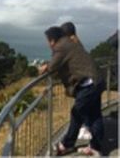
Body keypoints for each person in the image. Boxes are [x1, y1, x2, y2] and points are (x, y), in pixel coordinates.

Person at [39, 26, 104, 156]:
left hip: (88, 84)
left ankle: (65, 145)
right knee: (94, 115)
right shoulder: (69, 42)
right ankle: (95, 147)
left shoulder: (61, 47)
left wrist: (44, 67)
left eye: (47, 40)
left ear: (52, 40)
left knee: (76, 113)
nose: (48, 44)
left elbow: (52, 66)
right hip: (96, 80)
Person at [61, 22, 92, 141]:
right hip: (88, 81)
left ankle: (82, 133)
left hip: (85, 83)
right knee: (87, 108)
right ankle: (87, 129)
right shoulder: (76, 42)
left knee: (77, 110)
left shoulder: (73, 44)